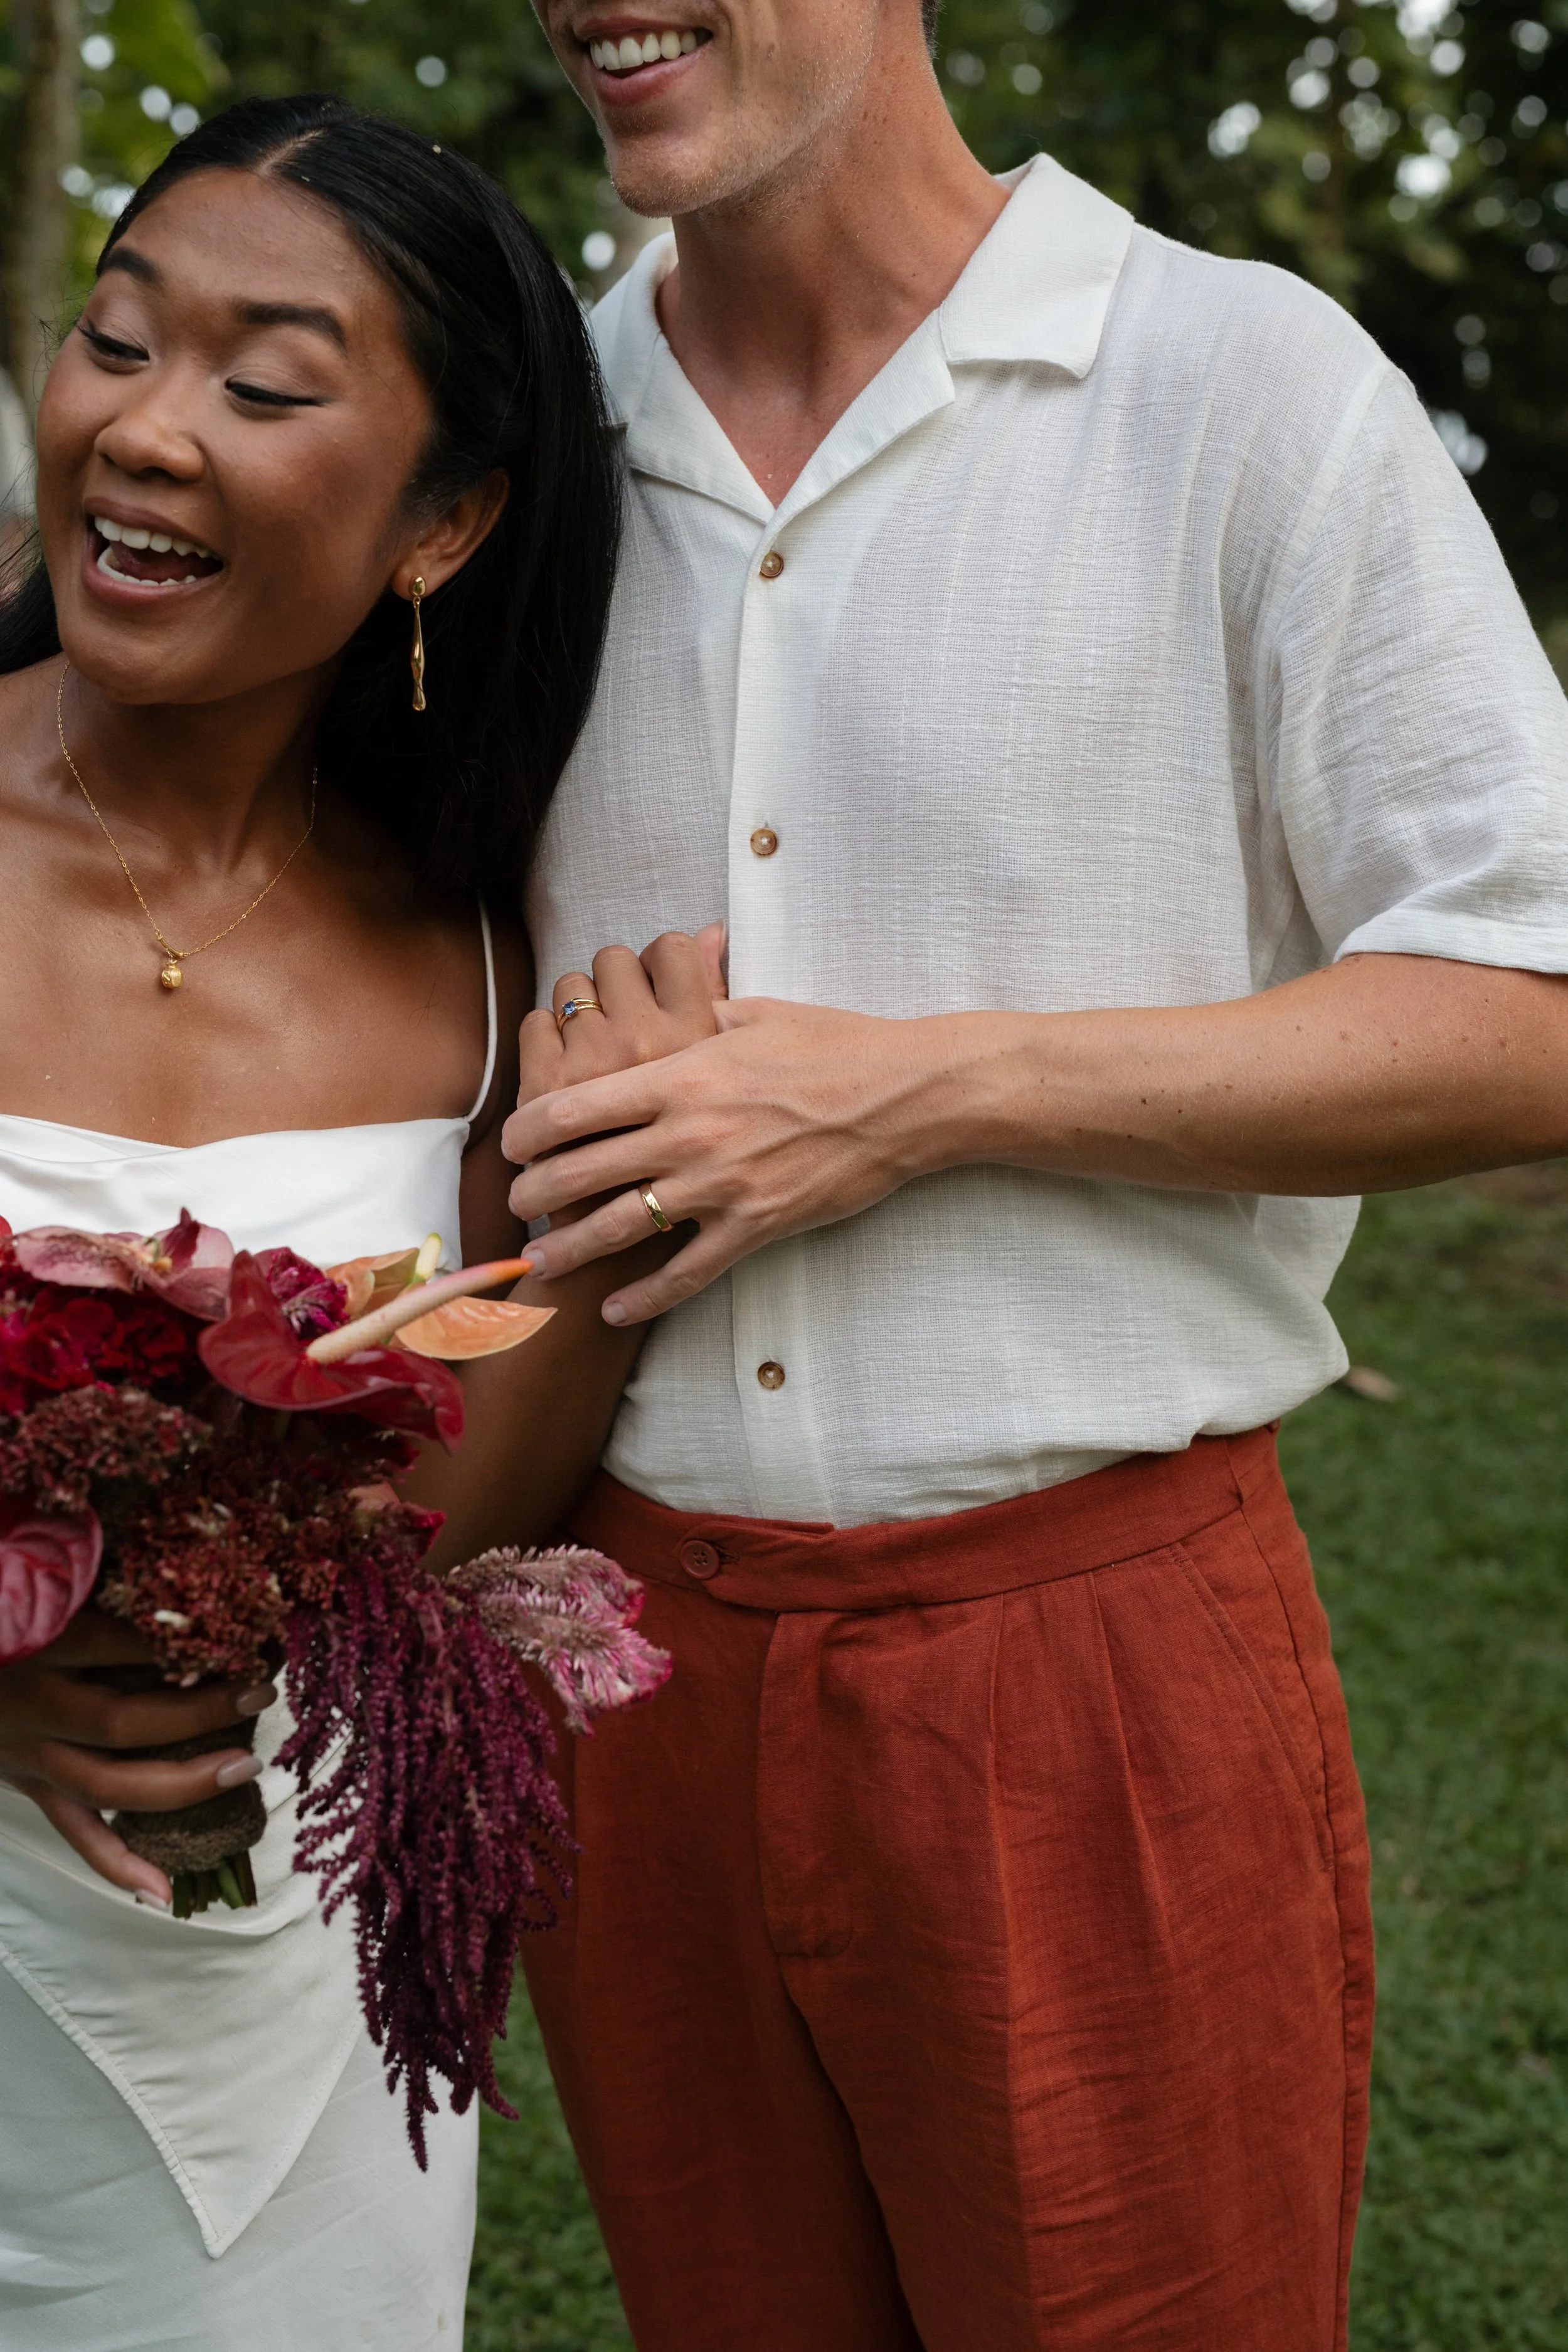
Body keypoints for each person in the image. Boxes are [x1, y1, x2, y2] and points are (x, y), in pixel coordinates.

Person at [501, 5, 1568, 2349]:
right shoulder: (517, 444)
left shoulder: (1241, 384)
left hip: (1090, 1676)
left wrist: (912, 1093)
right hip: (624, 1661)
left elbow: (1530, 1002)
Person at [0, 93, 714, 2349]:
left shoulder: (489, 943)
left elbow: (451, 1529)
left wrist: (595, 1232)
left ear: (447, 525)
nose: (147, 429)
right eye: (118, 342)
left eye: (266, 386)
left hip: (282, 1975)